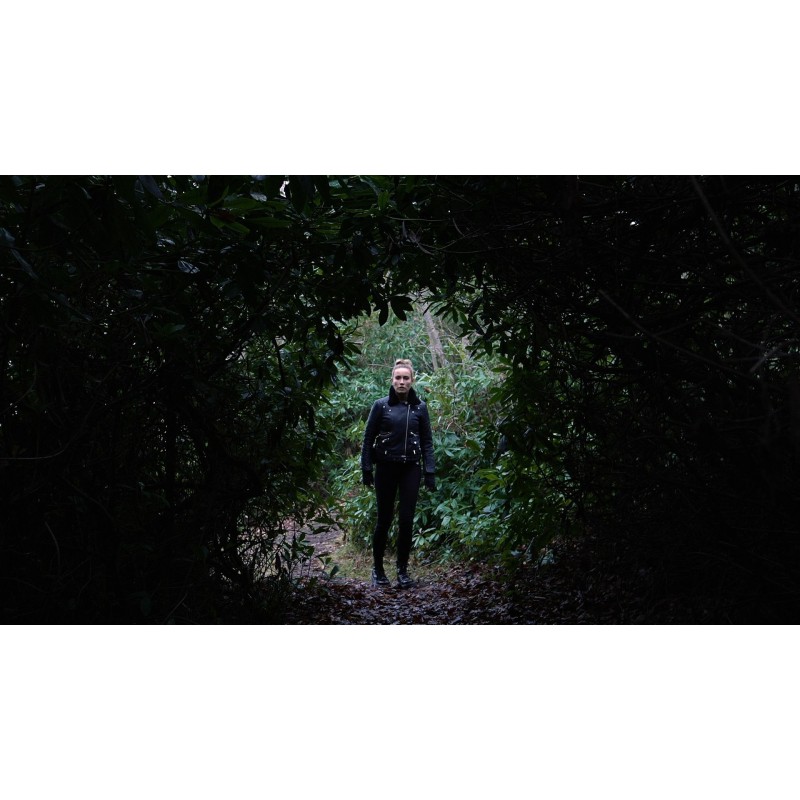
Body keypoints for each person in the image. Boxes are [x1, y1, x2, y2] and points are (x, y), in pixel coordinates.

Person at [361, 358, 436, 588]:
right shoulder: (380, 406)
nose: (401, 382)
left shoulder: (420, 407)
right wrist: (366, 468)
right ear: (392, 380)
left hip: (410, 468)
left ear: (412, 380)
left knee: (406, 520)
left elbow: (427, 441)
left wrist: (430, 471)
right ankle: (378, 571)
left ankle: (402, 572)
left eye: (406, 378)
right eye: (398, 378)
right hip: (385, 468)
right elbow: (368, 438)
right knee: (384, 520)